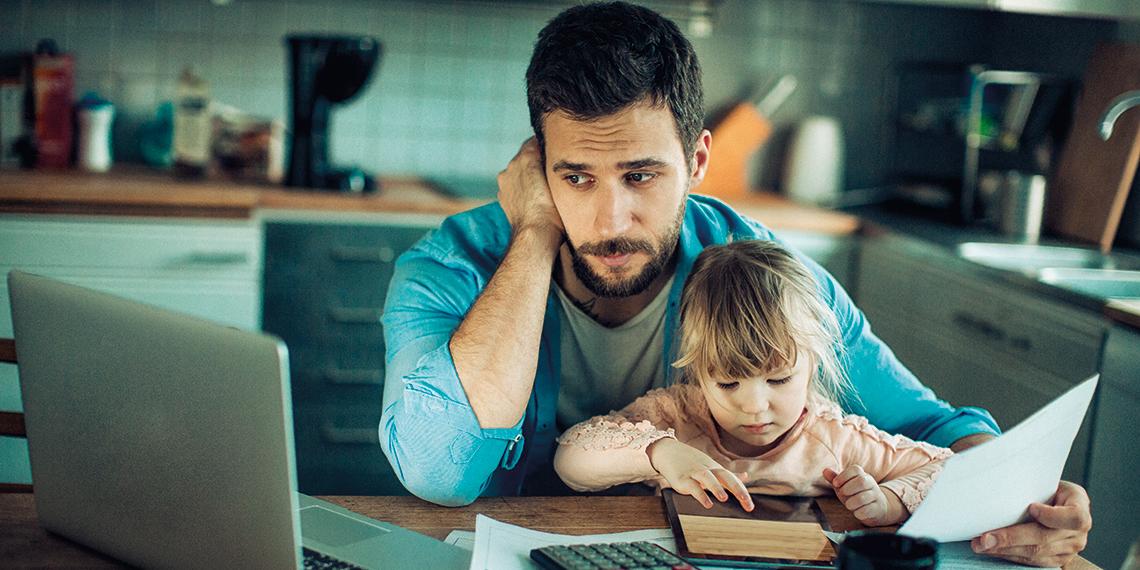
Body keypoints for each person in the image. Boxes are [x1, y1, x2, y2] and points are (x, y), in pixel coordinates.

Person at [378, 2, 1091, 565]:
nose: (609, 219)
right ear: (536, 166)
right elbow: (439, 472)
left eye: (641, 175)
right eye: (576, 177)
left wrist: (1019, 500)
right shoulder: (451, 267)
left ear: (697, 160)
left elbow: (934, 428)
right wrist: (533, 235)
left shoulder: (756, 272)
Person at [553, 239, 953, 527]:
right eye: (728, 384)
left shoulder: (836, 439)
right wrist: (660, 453)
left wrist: (889, 502)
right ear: (697, 370)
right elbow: (570, 461)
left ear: (813, 363)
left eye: (779, 379)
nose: (755, 406)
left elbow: (948, 469)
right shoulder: (676, 416)